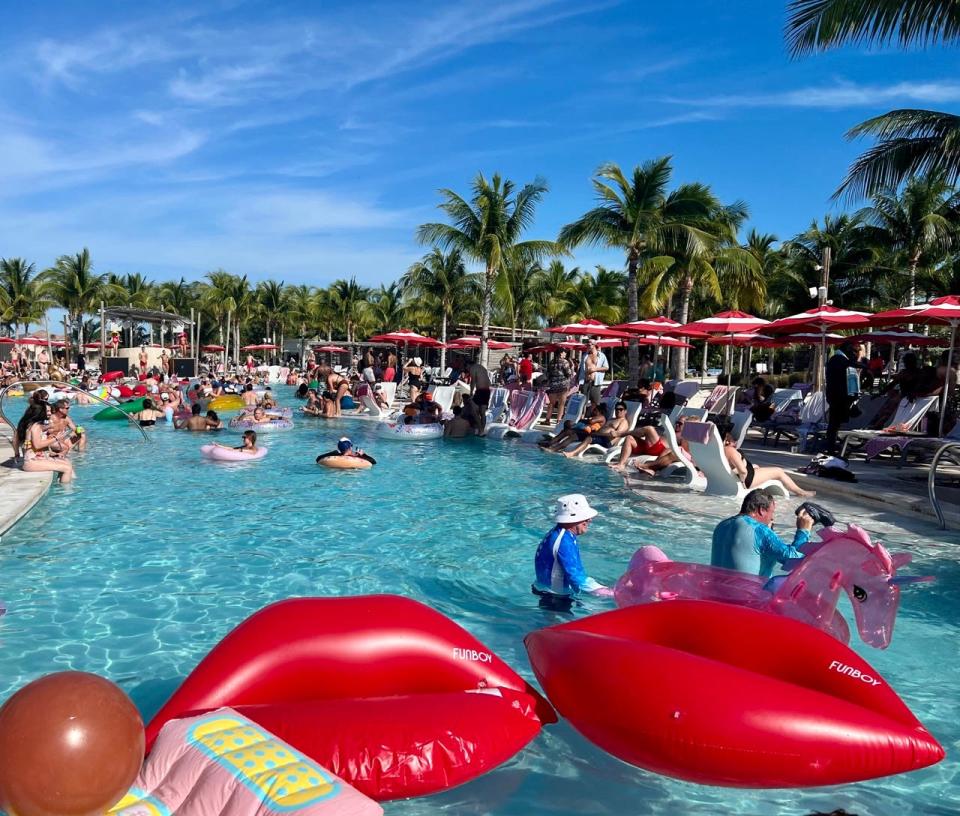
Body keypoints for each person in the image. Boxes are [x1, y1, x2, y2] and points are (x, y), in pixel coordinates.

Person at [710, 488, 814, 579]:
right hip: (745, 598)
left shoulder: (721, 525)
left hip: (715, 593)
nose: (772, 518)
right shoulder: (759, 530)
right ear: (762, 510)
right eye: (772, 512)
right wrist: (803, 531)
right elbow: (794, 561)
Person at [533, 494, 608, 601]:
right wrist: (611, 593)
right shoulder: (564, 542)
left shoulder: (559, 533)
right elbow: (577, 579)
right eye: (585, 518)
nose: (589, 520)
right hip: (554, 598)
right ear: (572, 520)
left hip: (545, 591)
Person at [723, 431, 815, 496]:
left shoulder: (721, 450)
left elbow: (733, 468)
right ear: (727, 440)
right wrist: (743, 485)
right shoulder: (730, 450)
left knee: (757, 466)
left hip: (746, 474)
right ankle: (800, 492)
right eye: (732, 439)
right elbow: (743, 471)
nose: (735, 441)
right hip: (748, 479)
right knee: (778, 471)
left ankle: (797, 490)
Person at [19, 402, 75, 482]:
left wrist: (51, 453)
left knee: (67, 462)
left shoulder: (38, 425)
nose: (50, 413)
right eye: (48, 411)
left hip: (39, 458)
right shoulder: (36, 427)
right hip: (32, 462)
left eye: (50, 411)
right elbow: (37, 445)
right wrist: (56, 438)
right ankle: (65, 492)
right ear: (40, 412)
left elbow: (35, 447)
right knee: (67, 468)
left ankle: (70, 486)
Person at [825, 340, 863, 454]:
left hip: (838, 396)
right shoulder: (838, 359)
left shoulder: (840, 359)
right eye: (854, 351)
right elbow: (848, 364)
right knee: (834, 423)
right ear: (847, 349)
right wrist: (862, 365)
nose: (855, 354)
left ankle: (832, 446)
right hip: (837, 396)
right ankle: (831, 448)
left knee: (835, 423)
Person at [561, 400, 631, 458]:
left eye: (620, 409)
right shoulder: (612, 419)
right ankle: (555, 448)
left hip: (606, 441)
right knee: (575, 435)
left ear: (625, 411)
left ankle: (573, 453)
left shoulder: (623, 422)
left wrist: (598, 433)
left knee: (589, 438)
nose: (618, 411)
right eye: (616, 409)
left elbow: (616, 434)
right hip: (597, 435)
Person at [544, 349, 574, 426]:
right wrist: (572, 367)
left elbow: (547, 374)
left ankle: (547, 419)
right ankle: (559, 420)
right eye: (564, 353)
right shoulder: (565, 362)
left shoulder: (551, 362)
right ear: (561, 354)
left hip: (553, 385)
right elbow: (569, 373)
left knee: (551, 403)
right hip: (563, 385)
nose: (565, 354)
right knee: (561, 404)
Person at [578, 340, 609, 405]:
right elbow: (581, 369)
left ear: (594, 345)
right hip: (585, 382)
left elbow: (606, 367)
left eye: (589, 345)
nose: (588, 346)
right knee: (583, 403)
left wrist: (595, 369)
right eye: (587, 345)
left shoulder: (601, 355)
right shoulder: (585, 355)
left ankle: (594, 415)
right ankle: (583, 415)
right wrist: (578, 381)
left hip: (596, 382)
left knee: (595, 403)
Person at [468, 358, 492, 435]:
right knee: (482, 413)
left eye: (467, 367)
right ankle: (481, 431)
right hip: (487, 391)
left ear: (468, 365)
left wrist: (471, 393)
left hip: (480, 391)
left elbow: (473, 382)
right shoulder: (482, 368)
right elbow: (488, 381)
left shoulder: (472, 368)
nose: (467, 369)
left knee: (473, 410)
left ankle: (480, 429)